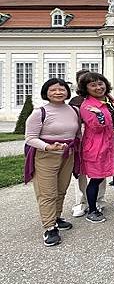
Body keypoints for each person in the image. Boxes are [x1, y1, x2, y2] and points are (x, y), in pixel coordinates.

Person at [25, 78, 80, 246]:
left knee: (61, 189)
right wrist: (47, 147)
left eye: (61, 89)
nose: (58, 92)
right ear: (46, 93)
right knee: (47, 192)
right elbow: (30, 138)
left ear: (67, 92)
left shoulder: (74, 110)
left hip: (67, 154)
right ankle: (49, 227)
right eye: (53, 90)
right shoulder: (39, 112)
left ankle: (56, 217)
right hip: (46, 156)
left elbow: (77, 133)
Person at [79, 73, 114, 223]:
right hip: (99, 147)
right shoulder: (88, 106)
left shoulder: (108, 99)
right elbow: (98, 127)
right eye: (93, 85)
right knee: (97, 178)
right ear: (86, 89)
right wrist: (100, 116)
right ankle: (92, 210)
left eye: (100, 83)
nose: (98, 87)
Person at [69, 69, 107, 217]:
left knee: (100, 174)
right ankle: (81, 202)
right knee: (82, 174)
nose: (97, 87)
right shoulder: (78, 101)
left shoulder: (105, 99)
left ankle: (99, 200)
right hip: (86, 141)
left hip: (102, 142)